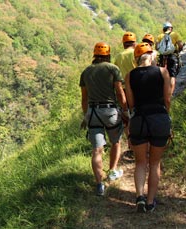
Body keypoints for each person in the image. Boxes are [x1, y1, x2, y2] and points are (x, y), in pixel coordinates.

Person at [125, 42, 172, 212]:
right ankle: (151, 202)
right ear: (151, 56)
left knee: (140, 162)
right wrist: (166, 115)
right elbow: (167, 99)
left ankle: (139, 197)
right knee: (154, 163)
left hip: (139, 120)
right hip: (159, 118)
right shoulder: (162, 72)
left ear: (136, 58)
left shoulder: (129, 75)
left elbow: (130, 104)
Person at [80, 42, 129, 196]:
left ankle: (99, 184)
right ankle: (113, 170)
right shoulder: (112, 69)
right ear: (108, 54)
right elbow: (120, 93)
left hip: (93, 112)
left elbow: (84, 99)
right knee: (115, 142)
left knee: (97, 150)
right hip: (110, 112)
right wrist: (125, 110)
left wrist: (85, 115)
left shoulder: (86, 72)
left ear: (95, 55)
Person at [114, 31, 137, 156]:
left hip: (123, 90)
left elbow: (116, 75)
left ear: (124, 44)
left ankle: (131, 145)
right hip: (138, 87)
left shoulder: (118, 57)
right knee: (139, 113)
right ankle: (143, 142)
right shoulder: (136, 53)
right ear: (134, 43)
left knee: (127, 118)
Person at [156, 22, 184, 95]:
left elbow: (156, 47)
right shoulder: (175, 34)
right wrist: (178, 51)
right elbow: (180, 45)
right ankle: (170, 94)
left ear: (163, 29)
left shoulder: (160, 36)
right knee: (172, 75)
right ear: (171, 28)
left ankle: (162, 93)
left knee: (162, 75)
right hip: (172, 56)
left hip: (162, 57)